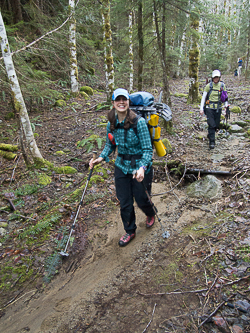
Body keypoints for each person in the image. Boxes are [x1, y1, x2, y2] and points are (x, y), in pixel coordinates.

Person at [89, 88, 155, 247]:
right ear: (113, 103)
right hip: (121, 166)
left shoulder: (138, 123)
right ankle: (130, 230)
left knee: (141, 198)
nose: (121, 102)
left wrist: (142, 168)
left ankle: (150, 213)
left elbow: (147, 149)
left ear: (128, 102)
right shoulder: (111, 124)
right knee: (125, 201)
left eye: (124, 99)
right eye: (117, 100)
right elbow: (110, 145)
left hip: (139, 165)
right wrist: (101, 157)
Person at [200, 70, 229, 149]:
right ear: (212, 78)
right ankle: (212, 142)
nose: (216, 79)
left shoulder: (222, 85)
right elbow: (203, 97)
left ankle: (210, 134)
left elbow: (225, 97)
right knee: (211, 124)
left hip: (218, 108)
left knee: (216, 125)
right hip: (209, 108)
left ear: (219, 78)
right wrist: (201, 108)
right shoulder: (209, 86)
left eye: (217, 77)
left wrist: (226, 106)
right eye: (214, 78)